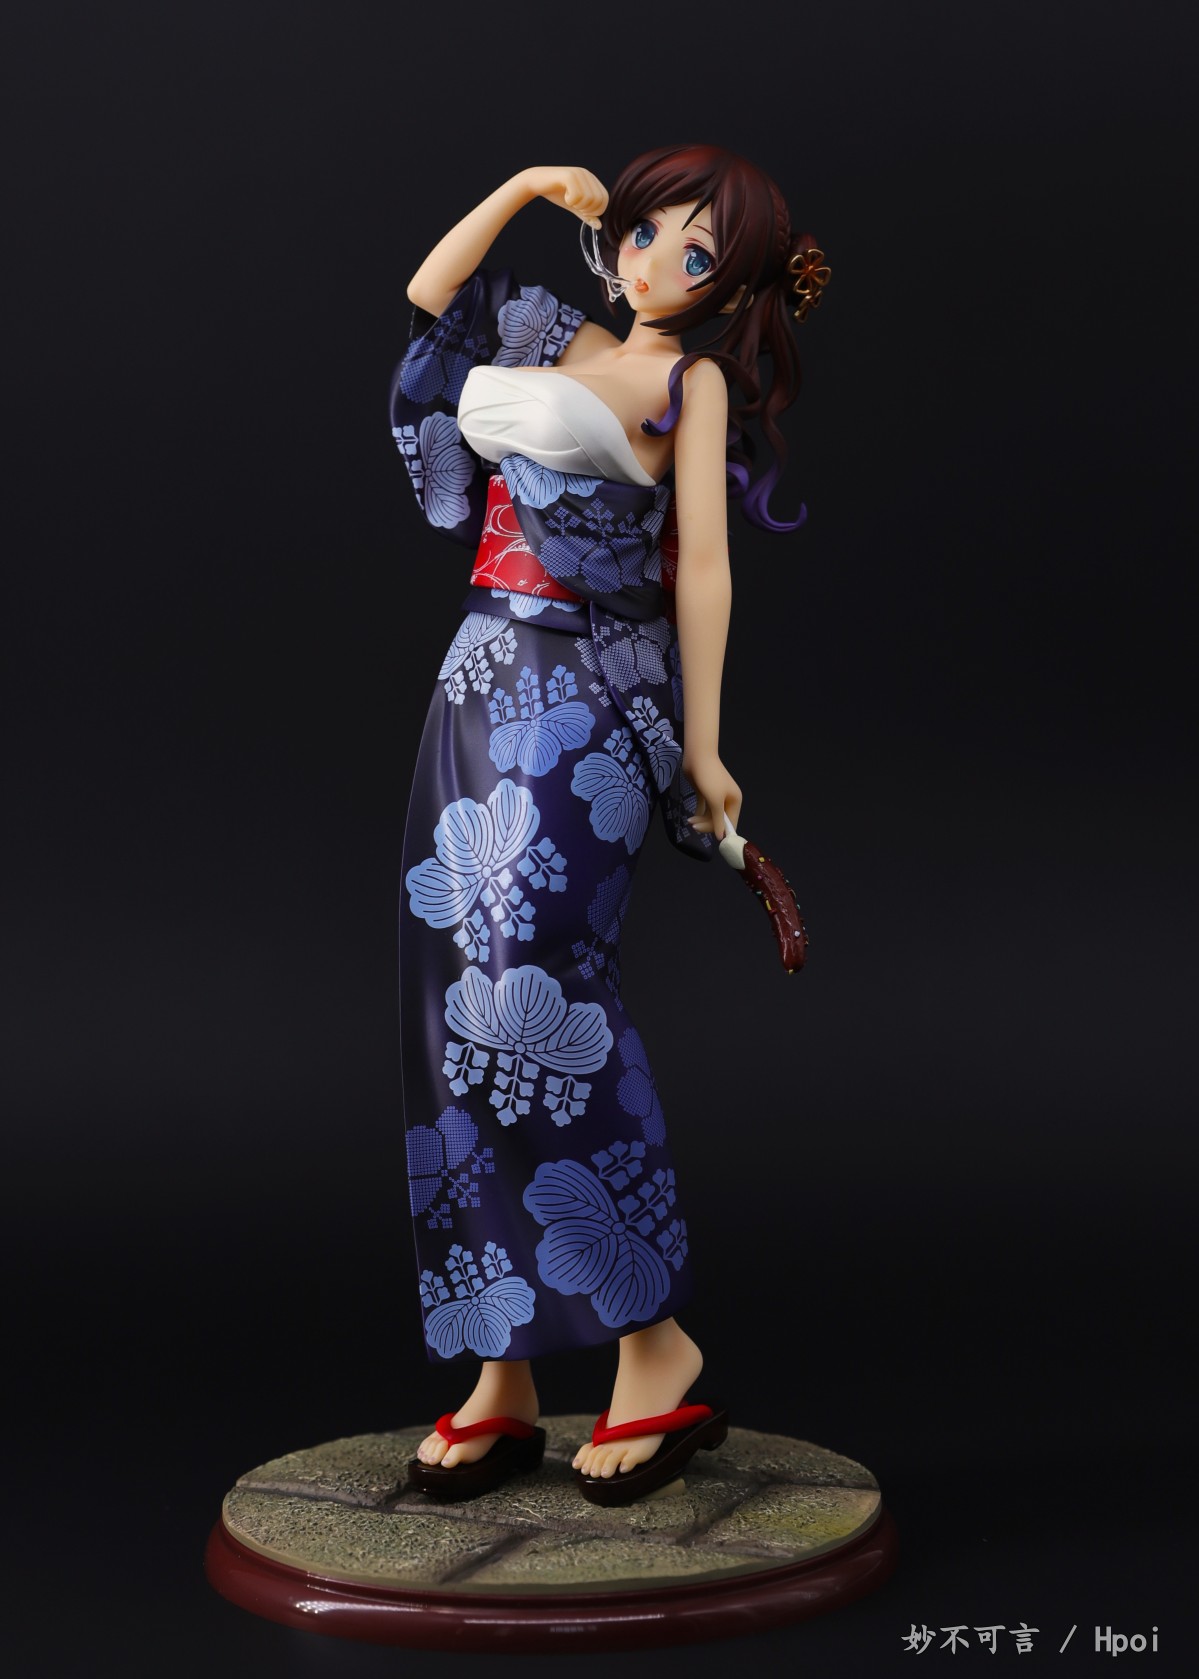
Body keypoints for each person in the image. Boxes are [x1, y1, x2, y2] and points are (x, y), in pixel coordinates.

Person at [390, 146, 828, 1504]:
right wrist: (527, 189)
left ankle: (652, 1342)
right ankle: (503, 1358)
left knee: (536, 991)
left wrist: (702, 743)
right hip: (478, 676)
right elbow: (429, 299)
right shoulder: (544, 328)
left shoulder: (692, 384)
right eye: (648, 233)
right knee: (453, 999)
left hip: (591, 696)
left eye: (699, 255)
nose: (657, 265)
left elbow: (703, 564)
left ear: (733, 286)